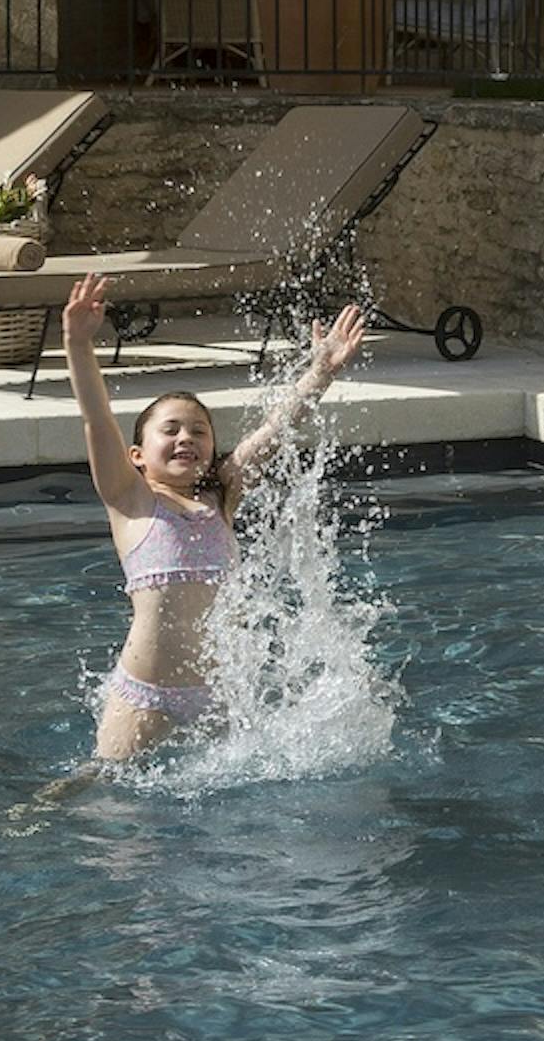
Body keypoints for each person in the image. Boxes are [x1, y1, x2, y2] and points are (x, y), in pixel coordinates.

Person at [64, 274, 365, 762]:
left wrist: (320, 374)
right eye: (172, 429)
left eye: (199, 431)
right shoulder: (128, 498)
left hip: (221, 695)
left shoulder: (221, 497)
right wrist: (77, 344)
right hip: (147, 695)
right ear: (137, 454)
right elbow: (97, 419)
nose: (186, 437)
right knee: (103, 786)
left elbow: (275, 429)